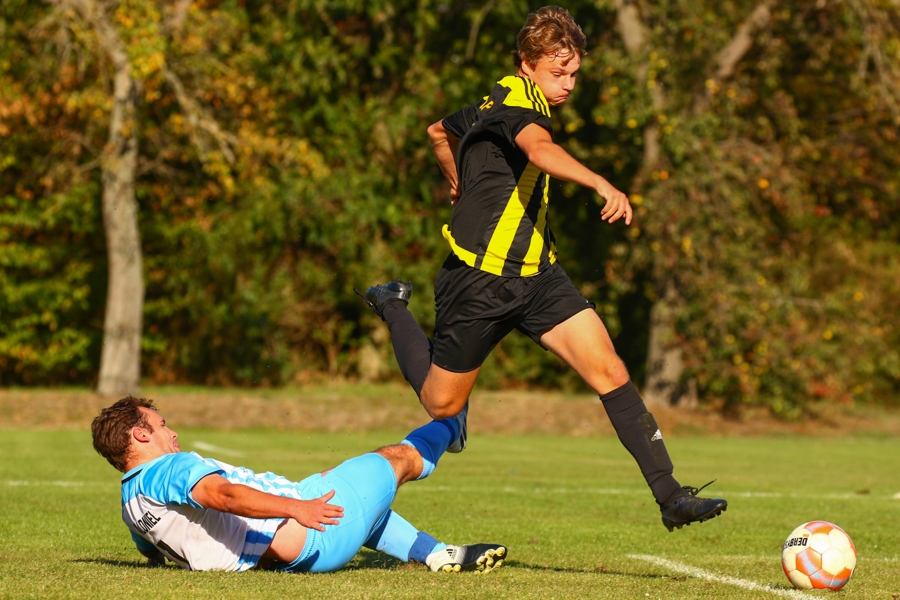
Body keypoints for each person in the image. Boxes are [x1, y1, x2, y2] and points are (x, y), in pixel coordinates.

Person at [357, 6, 727, 532]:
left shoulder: (492, 101)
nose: (570, 83)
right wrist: (601, 183)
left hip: (538, 276)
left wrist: (456, 179)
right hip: (480, 282)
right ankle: (393, 304)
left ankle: (670, 496)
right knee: (442, 406)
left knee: (610, 370)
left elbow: (439, 130)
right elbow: (540, 149)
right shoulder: (515, 106)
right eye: (559, 72)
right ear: (528, 64)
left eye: (575, 72)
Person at [90, 396, 506, 573]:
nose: (172, 433)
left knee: (366, 508)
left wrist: (155, 561)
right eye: (162, 426)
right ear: (140, 436)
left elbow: (147, 543)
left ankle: (436, 555)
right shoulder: (169, 467)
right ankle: (454, 422)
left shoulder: (131, 497)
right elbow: (224, 495)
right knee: (396, 459)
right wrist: (296, 508)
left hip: (291, 548)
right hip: (307, 532)